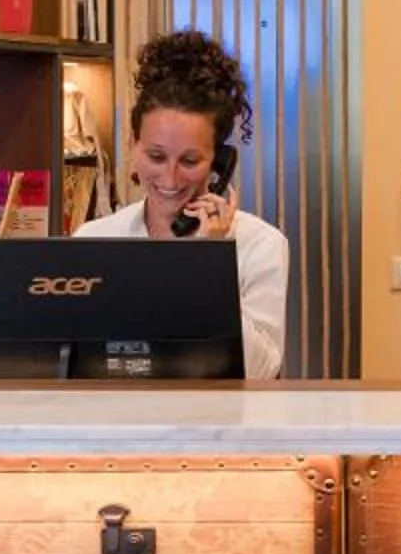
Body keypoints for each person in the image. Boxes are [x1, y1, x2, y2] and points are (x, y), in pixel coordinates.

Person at [75, 29, 291, 379]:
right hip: (117, 425)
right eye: (156, 156)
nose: (171, 179)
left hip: (218, 428)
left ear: (219, 162)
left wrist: (207, 264)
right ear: (132, 143)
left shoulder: (260, 245)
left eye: (190, 161)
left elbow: (260, 370)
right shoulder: (93, 238)